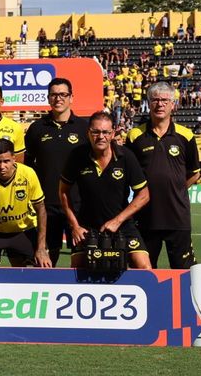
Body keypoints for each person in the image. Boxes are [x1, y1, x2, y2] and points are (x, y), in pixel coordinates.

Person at [59, 112, 151, 269]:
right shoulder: (77, 156)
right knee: (76, 269)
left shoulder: (126, 157)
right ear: (88, 133)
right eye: (96, 132)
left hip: (122, 226)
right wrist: (74, 226)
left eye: (105, 132)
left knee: (144, 267)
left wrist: (117, 221)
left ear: (113, 133)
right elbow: (63, 191)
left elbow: (144, 195)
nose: (100, 136)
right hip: (87, 226)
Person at [125, 82, 200, 269]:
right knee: (144, 272)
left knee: (183, 271)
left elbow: (194, 173)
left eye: (165, 100)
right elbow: (128, 174)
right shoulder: (134, 135)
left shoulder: (186, 135)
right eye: (155, 100)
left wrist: (176, 188)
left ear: (173, 104)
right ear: (148, 103)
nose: (160, 104)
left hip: (177, 216)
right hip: (145, 217)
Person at [24, 78, 89, 266]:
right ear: (48, 98)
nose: (58, 98)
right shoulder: (37, 128)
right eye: (54, 95)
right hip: (46, 205)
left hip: (77, 205)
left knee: (81, 262)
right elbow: (27, 167)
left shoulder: (84, 128)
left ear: (71, 98)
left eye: (63, 94)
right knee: (44, 263)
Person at [0, 139, 51, 268]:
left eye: (6, 161)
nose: (2, 166)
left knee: (43, 265)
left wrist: (41, 248)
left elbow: (41, 210)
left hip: (23, 230)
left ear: (14, 158)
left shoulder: (28, 174)